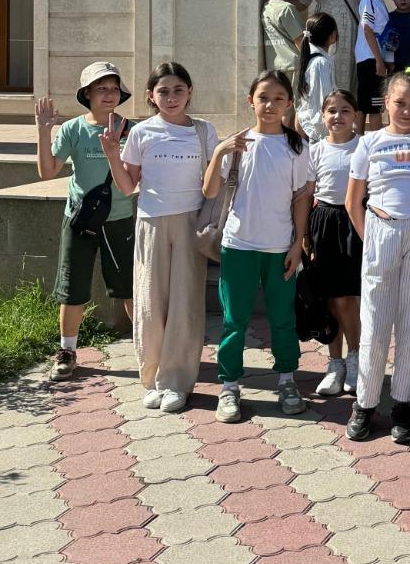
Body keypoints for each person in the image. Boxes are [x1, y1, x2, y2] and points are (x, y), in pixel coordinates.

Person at [100, 61, 217, 412]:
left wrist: (225, 152)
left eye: (178, 90)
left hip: (190, 222)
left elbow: (212, 185)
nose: (171, 97)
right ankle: (151, 378)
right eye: (163, 91)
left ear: (190, 91)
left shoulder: (204, 131)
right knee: (150, 302)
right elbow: (127, 186)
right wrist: (112, 155)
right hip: (150, 222)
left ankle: (177, 381)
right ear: (151, 96)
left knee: (185, 303)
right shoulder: (142, 132)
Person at [345, 68, 410, 446]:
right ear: (386, 102)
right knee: (374, 323)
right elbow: (353, 200)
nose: (407, 111)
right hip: (380, 228)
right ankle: (365, 403)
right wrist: (372, 236)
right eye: (400, 103)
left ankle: (403, 405)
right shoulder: (369, 142)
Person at [203, 69, 311, 424]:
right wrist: (219, 151)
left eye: (278, 98)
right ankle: (229, 386)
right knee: (234, 320)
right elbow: (209, 191)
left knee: (283, 319)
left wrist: (297, 243)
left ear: (289, 103)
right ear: (251, 101)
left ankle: (287, 381)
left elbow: (301, 197)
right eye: (263, 97)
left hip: (279, 246)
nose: (270, 105)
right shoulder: (237, 144)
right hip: (239, 244)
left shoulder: (297, 146)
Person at [35, 61, 135, 380]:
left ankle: (147, 349)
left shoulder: (130, 130)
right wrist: (43, 130)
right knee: (72, 287)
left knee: (130, 287)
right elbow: (47, 171)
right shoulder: (73, 129)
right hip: (79, 220)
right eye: (101, 88)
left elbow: (132, 181)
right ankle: (67, 351)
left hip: (119, 219)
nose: (109, 94)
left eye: (114, 88)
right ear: (87, 93)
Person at [306, 89, 363, 400]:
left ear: (355, 115)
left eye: (345, 110)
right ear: (323, 116)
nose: (338, 117)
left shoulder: (363, 146)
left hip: (353, 222)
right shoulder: (315, 150)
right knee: (328, 297)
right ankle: (335, 363)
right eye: (331, 111)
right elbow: (306, 194)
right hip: (323, 222)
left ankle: (355, 358)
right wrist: (303, 234)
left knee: (346, 297)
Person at [355, 0, 390, 135]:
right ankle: (376, 143)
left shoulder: (378, 0)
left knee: (364, 103)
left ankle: (358, 140)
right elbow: (368, 30)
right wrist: (379, 60)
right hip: (370, 58)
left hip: (369, 57)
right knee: (375, 106)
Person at [294, 13, 338, 142]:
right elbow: (323, 101)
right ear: (332, 35)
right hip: (317, 133)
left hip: (312, 129)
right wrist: (325, 134)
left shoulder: (313, 58)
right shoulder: (320, 63)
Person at [262, 0, 305, 75]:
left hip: (275, 70)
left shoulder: (267, 7)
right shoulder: (287, 8)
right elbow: (301, 42)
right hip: (294, 68)